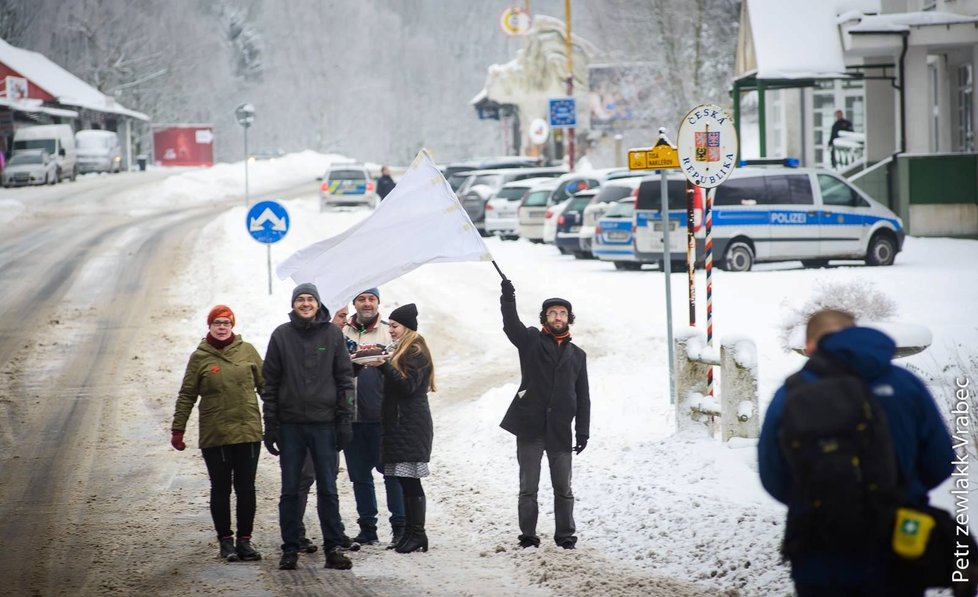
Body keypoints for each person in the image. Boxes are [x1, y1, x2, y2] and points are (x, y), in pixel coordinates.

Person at [758, 309, 955, 595]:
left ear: (810, 346)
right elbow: (940, 462)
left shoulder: (791, 393)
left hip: (818, 552)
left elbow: (772, 476)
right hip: (899, 545)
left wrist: (817, 499)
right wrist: (901, 490)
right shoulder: (905, 385)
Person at [261, 283, 357, 571]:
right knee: (290, 490)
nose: (305, 304)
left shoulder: (332, 334)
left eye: (310, 299)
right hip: (290, 427)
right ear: (293, 304)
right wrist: (271, 424)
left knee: (328, 489)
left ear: (318, 304)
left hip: (324, 426)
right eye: (300, 300)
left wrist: (345, 421)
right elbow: (270, 383)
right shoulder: (281, 335)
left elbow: (344, 380)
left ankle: (332, 549)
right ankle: (290, 548)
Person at [498, 279, 590, 550]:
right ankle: (528, 535)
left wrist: (582, 430)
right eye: (552, 313)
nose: (558, 317)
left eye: (562, 313)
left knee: (563, 488)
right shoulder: (530, 341)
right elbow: (510, 324)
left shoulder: (578, 355)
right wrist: (508, 298)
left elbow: (583, 396)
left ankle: (565, 536)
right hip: (531, 427)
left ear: (568, 318)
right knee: (529, 487)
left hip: (561, 430)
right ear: (545, 318)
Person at [170, 305, 265, 562]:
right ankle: (225, 541)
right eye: (217, 323)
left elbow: (267, 387)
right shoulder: (200, 357)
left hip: (248, 432)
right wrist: (178, 428)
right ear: (209, 326)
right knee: (221, 488)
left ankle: (245, 540)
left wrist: (281, 419)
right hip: (216, 434)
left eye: (226, 323)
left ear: (232, 325)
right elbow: (187, 394)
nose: (222, 327)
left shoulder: (248, 351)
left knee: (246, 488)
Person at [364, 303, 435, 553]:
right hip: (400, 426)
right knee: (405, 481)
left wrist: (383, 365)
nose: (390, 330)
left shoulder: (415, 351)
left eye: (394, 326)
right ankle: (409, 533)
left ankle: (418, 534)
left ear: (407, 327)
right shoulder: (400, 349)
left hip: (411, 426)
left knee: (411, 481)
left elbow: (407, 387)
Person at [341, 289, 406, 547]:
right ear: (354, 303)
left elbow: (402, 369)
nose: (366, 303)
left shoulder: (390, 331)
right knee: (359, 476)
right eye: (361, 299)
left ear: (378, 302)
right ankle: (367, 527)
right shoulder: (341, 332)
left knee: (391, 474)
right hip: (352, 417)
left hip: (383, 417)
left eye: (371, 299)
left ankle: (399, 527)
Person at [293, 304, 351, 555]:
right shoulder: (308, 341)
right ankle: (296, 534)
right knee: (303, 480)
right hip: (304, 424)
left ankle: (334, 533)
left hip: (330, 424)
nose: (345, 322)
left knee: (329, 482)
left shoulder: (337, 341)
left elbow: (343, 381)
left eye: (346, 317)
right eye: (341, 316)